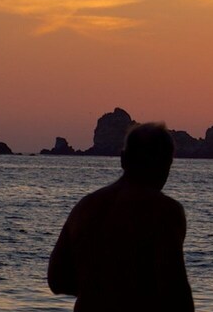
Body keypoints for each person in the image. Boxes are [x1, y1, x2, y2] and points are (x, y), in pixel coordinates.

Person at [47, 123, 192, 311]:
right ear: (166, 164)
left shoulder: (84, 207)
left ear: (123, 159)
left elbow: (57, 281)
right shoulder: (164, 210)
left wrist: (98, 288)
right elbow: (176, 292)